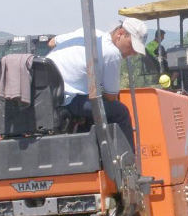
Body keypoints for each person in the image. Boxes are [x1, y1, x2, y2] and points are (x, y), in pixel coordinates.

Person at [47, 18, 148, 150]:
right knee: (120, 112)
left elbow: (51, 42)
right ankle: (128, 163)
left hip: (47, 94)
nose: (133, 53)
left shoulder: (86, 33)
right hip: (67, 99)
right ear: (120, 33)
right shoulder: (112, 53)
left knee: (94, 104)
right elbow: (111, 97)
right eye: (132, 46)